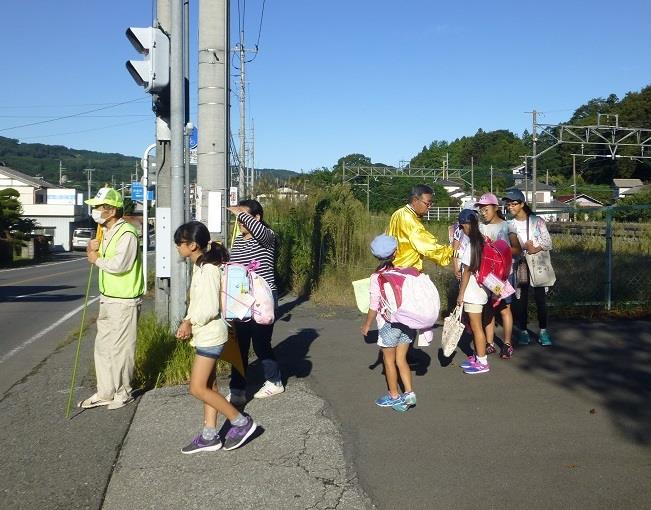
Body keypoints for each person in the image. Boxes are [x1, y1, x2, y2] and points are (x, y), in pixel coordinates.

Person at [174, 221, 257, 453]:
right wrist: (189, 319)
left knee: (197, 388)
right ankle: (210, 435)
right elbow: (198, 303)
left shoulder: (209, 270)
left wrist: (189, 322)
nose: (178, 248)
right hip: (205, 334)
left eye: (180, 244)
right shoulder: (200, 267)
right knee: (209, 386)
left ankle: (241, 422)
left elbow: (210, 307)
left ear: (192, 245)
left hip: (211, 335)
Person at [78, 187, 143, 410]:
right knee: (103, 346)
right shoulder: (105, 231)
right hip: (108, 297)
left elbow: (120, 265)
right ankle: (105, 391)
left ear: (112, 209)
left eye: (99, 207)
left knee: (121, 349)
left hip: (125, 299)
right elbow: (101, 257)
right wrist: (91, 249)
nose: (95, 210)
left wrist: (95, 259)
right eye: (95, 206)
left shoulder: (127, 233)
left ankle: (123, 392)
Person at [226, 199, 283, 405]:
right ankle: (237, 389)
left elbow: (260, 232)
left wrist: (239, 212)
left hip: (263, 299)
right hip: (241, 298)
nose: (240, 221)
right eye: (239, 217)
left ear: (256, 218)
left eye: (244, 216)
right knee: (239, 345)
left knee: (260, 343)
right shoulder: (239, 240)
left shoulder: (267, 237)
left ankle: (274, 381)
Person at [361, 234, 417, 412]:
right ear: (395, 253)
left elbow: (374, 305)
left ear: (376, 256)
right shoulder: (404, 271)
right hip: (407, 322)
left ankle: (393, 396)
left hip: (388, 325)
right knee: (402, 360)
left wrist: (367, 324)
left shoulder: (377, 277)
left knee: (389, 362)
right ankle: (409, 393)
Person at [503, 190, 553, 346]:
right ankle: (523, 331)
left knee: (540, 300)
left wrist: (535, 249)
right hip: (520, 264)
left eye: (513, 203)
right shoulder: (509, 224)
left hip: (537, 264)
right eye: (508, 204)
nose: (510, 206)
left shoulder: (536, 221)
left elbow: (548, 242)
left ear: (522, 204)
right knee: (521, 300)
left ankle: (543, 331)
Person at [475, 193, 522, 359]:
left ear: (495, 208)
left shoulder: (507, 226)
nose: (483, 212)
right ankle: (489, 343)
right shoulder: (479, 227)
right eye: (480, 209)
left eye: (486, 209)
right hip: (486, 275)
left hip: (502, 275)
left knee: (503, 308)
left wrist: (499, 250)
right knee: (487, 307)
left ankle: (507, 344)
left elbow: (517, 248)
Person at [456, 209, 491, 374]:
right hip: (481, 290)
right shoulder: (482, 241)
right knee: (477, 326)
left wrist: (460, 294)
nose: (462, 229)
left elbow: (467, 271)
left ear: (465, 225)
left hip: (472, 292)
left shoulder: (471, 244)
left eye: (462, 226)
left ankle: (482, 362)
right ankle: (478, 357)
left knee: (477, 327)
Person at [387, 184, 453, 271]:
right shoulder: (411, 221)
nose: (429, 207)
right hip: (407, 270)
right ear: (415, 200)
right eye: (427, 203)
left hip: (393, 266)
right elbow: (427, 247)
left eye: (431, 204)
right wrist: (452, 252)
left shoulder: (398, 213)